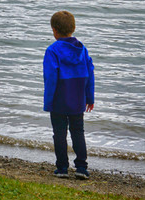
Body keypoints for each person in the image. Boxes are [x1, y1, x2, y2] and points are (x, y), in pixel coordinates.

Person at [43, 10, 95, 179]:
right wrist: (90, 97)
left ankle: (62, 168)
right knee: (78, 131)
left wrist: (48, 101)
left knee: (59, 133)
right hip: (78, 98)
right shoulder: (82, 49)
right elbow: (90, 73)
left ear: (54, 30)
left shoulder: (52, 51)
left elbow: (51, 78)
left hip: (59, 99)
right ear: (73, 28)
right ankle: (81, 167)